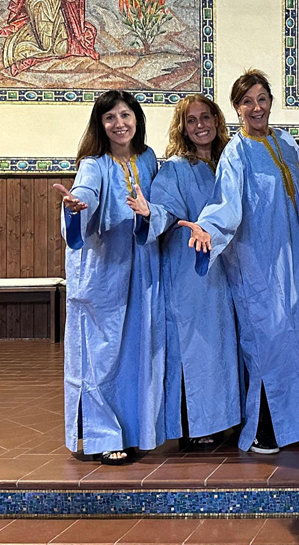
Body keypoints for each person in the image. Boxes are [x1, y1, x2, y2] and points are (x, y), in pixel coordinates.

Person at [177, 70, 299, 454]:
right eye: (247, 101)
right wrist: (207, 230)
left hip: (292, 261)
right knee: (265, 343)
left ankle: (297, 425)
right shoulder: (236, 152)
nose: (256, 107)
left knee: (296, 340)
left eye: (262, 99)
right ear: (236, 109)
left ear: (271, 102)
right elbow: (226, 205)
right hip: (255, 265)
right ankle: (262, 428)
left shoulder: (286, 143)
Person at [53, 90, 165, 464]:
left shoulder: (147, 159)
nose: (119, 124)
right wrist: (75, 207)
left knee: (136, 352)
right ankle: (103, 435)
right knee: (102, 355)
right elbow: (85, 192)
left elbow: (158, 204)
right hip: (104, 270)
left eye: (125, 115)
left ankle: (131, 431)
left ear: (137, 118)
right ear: (100, 125)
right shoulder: (94, 163)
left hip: (142, 267)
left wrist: (152, 213)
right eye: (110, 118)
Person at [126, 94, 241, 447]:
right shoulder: (176, 168)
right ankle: (194, 427)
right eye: (191, 121)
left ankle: (223, 420)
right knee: (194, 347)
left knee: (223, 345)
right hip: (189, 268)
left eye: (205, 117)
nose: (200, 126)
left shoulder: (230, 161)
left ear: (217, 121)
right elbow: (165, 210)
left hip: (226, 266)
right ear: (182, 128)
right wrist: (150, 213)